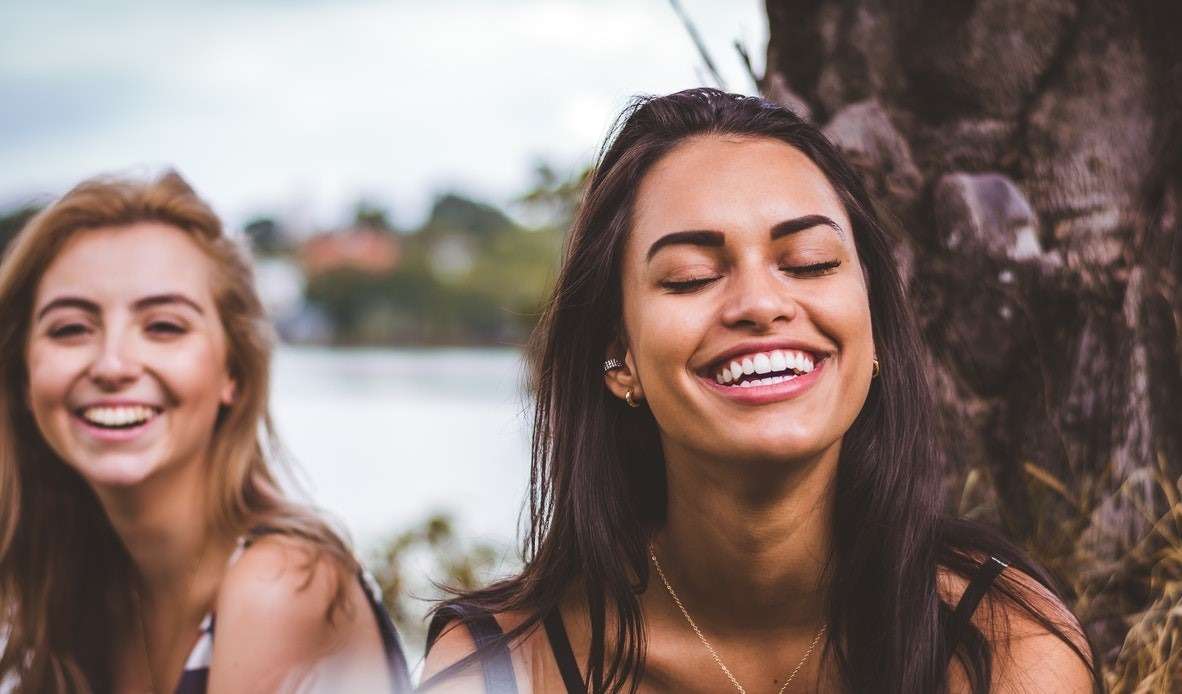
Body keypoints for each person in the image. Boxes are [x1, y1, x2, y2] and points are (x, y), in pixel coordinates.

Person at [419, 89, 1101, 693]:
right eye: (689, 276)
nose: (760, 303)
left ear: (875, 332)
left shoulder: (1007, 648)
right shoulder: (502, 669)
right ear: (617, 356)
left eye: (809, 263)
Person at [0, 172, 411, 693]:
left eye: (164, 326)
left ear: (233, 374)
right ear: (22, 373)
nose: (112, 364)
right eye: (71, 329)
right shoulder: (68, 590)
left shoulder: (281, 585)